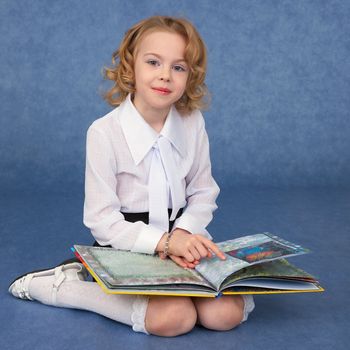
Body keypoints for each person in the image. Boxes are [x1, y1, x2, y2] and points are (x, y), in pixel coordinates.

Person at [9, 15, 254, 337]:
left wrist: (182, 235)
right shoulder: (104, 132)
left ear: (190, 76)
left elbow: (203, 191)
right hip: (127, 246)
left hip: (183, 239)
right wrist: (164, 243)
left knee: (223, 315)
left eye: (178, 67)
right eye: (153, 62)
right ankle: (65, 287)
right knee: (174, 319)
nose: (165, 75)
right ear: (130, 67)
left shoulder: (192, 122)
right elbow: (101, 220)